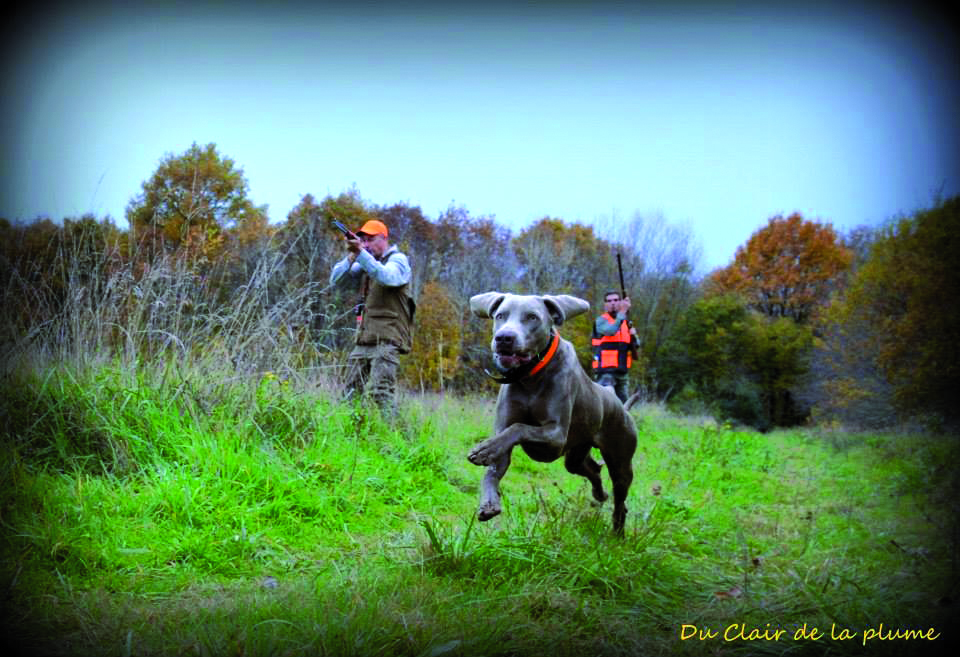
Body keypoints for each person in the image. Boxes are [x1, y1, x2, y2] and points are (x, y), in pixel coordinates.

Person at [329, 219, 414, 416]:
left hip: (387, 339)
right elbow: (336, 281)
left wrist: (361, 253)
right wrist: (352, 254)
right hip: (365, 339)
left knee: (380, 394)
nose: (366, 244)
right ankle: (350, 436)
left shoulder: (398, 260)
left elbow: (387, 277)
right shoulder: (366, 261)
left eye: (370, 239)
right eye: (362, 240)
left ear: (384, 238)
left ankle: (393, 439)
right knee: (350, 393)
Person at [591, 290, 638, 403]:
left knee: (624, 406)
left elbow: (636, 345)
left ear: (621, 302)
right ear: (605, 304)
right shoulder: (601, 321)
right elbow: (610, 331)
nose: (612, 303)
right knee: (605, 403)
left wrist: (634, 336)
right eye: (609, 301)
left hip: (622, 372)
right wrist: (622, 312)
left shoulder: (627, 322)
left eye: (616, 300)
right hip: (605, 372)